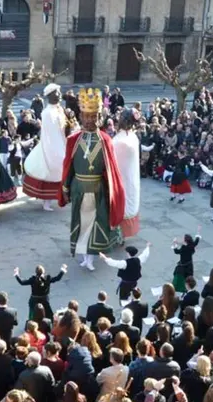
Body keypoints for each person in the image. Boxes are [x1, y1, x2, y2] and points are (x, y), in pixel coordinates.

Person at [57, 88, 126, 271]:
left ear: (99, 117)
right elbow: (68, 166)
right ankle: (84, 255)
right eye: (86, 116)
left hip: (98, 190)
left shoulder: (105, 140)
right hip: (78, 188)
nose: (89, 120)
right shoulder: (73, 140)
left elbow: (111, 170)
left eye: (93, 116)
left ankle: (91, 257)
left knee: (95, 223)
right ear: (81, 116)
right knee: (81, 222)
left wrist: (112, 191)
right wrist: (65, 187)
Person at [22, 83, 66, 211]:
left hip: (61, 143)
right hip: (51, 146)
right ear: (51, 95)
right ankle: (46, 201)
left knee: (59, 173)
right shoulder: (47, 113)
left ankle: (53, 199)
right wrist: (54, 149)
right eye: (57, 92)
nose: (60, 94)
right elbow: (49, 134)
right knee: (50, 173)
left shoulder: (59, 109)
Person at [112, 108, 142, 238]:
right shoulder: (133, 136)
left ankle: (118, 234)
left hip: (121, 178)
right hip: (130, 177)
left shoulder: (120, 141)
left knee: (120, 205)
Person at [172, 228, 202, 293]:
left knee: (179, 276)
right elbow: (197, 240)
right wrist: (198, 231)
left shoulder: (184, 248)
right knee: (189, 277)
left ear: (185, 241)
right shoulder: (192, 245)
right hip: (189, 265)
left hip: (183, 266)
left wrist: (174, 243)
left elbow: (176, 251)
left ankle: (181, 288)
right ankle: (189, 288)